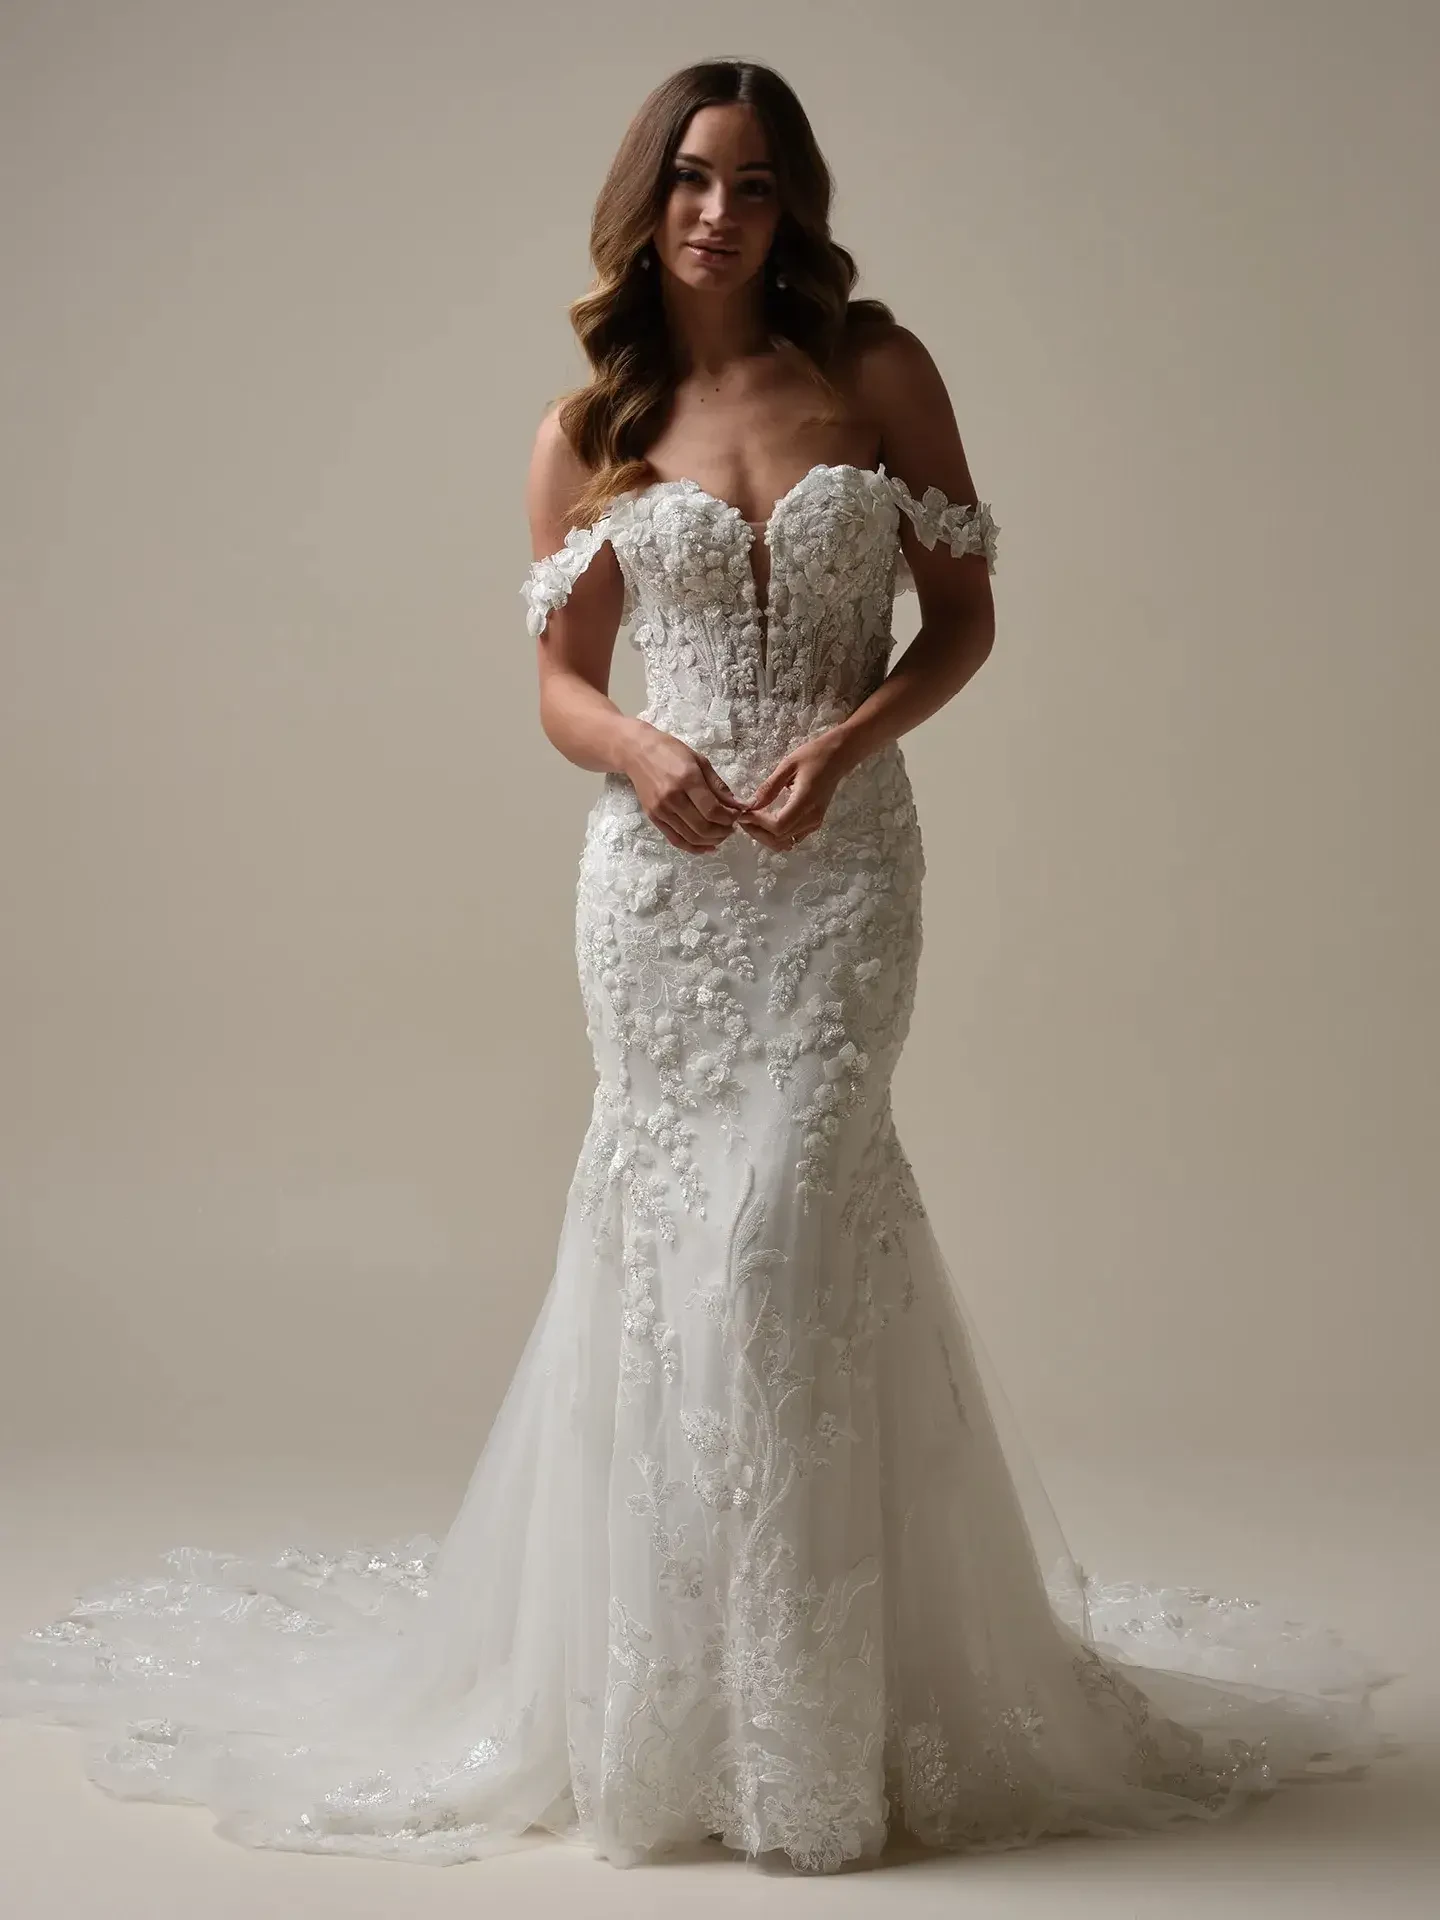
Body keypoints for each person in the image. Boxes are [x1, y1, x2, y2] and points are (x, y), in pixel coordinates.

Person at [0, 57, 1395, 1878]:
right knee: (678, 1259)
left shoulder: (875, 375)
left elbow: (965, 619)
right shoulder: (590, 423)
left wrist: (850, 741)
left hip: (841, 877)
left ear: (793, 202)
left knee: (793, 1231)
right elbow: (563, 686)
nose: (719, 213)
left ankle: (822, 1736)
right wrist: (641, 748)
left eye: (751, 182)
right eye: (689, 179)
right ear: (644, 200)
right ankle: (675, 1728)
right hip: (660, 896)